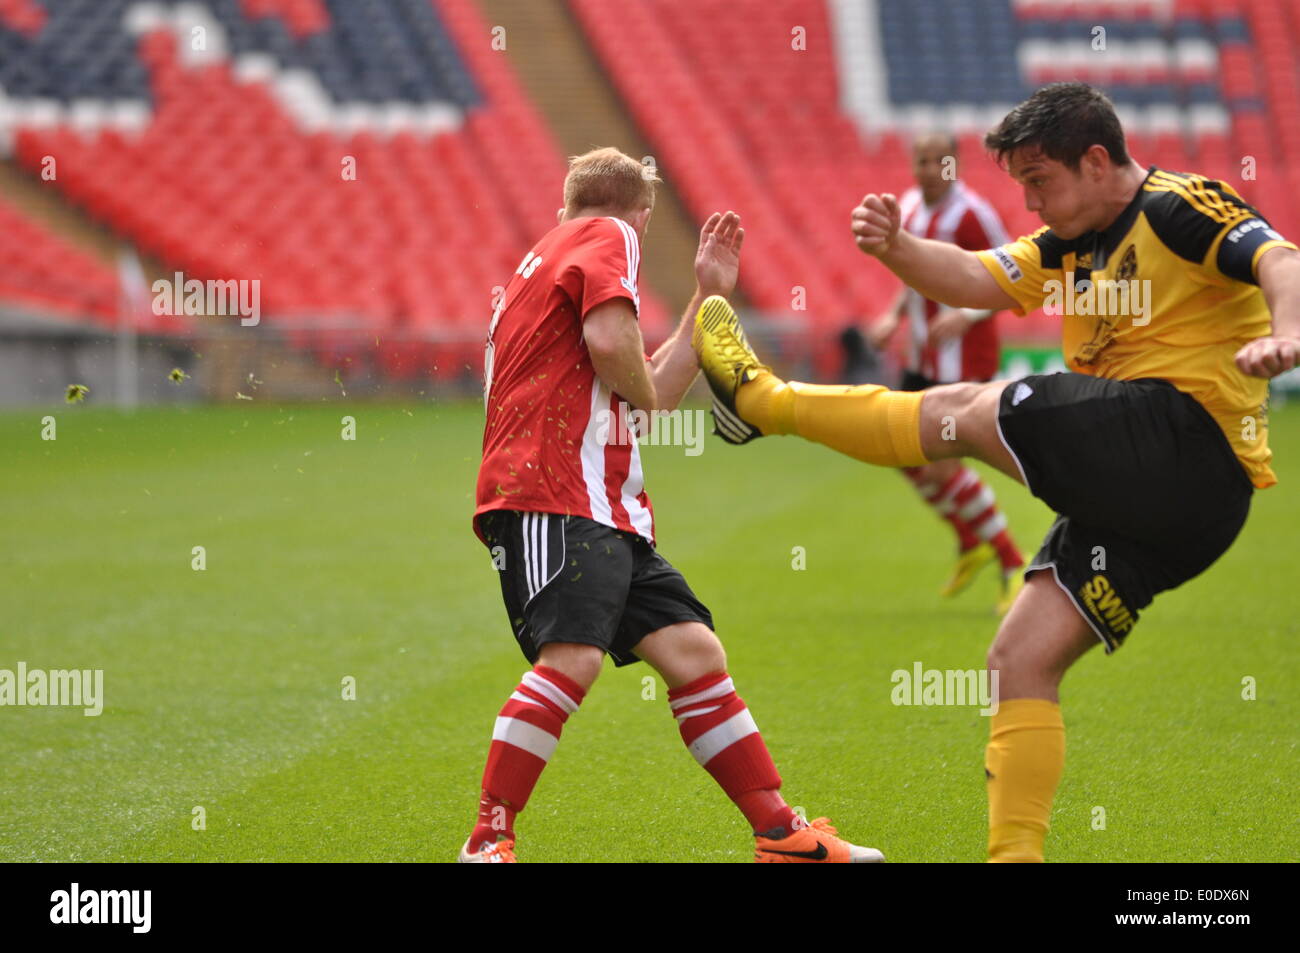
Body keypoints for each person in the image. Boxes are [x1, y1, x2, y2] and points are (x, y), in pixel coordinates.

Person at [694, 83, 1300, 862]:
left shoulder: (1177, 206)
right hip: (1179, 512)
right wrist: (896, 249)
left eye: (1038, 182)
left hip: (1188, 443)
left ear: (1094, 159)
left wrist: (1287, 334)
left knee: (968, 410)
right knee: (1019, 657)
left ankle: (765, 401)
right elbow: (977, 278)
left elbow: (1280, 256)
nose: (1029, 204)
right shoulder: (1070, 238)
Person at [464, 147, 881, 863]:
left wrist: (707, 295)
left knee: (693, 652)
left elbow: (641, 384)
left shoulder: (549, 250)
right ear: (644, 217)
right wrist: (648, 392)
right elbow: (615, 349)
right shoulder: (609, 234)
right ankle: (486, 841)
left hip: (597, 503)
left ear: (563, 203)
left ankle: (781, 834)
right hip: (558, 492)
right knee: (574, 657)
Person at [863, 131, 1024, 611]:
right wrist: (895, 314)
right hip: (921, 356)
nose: (928, 169)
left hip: (963, 359)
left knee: (940, 462)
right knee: (900, 452)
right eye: (921, 160)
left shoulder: (973, 213)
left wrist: (967, 313)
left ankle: (1013, 561)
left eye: (938, 161)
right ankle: (969, 541)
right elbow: (913, 270)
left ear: (955, 165)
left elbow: (1014, 274)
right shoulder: (909, 206)